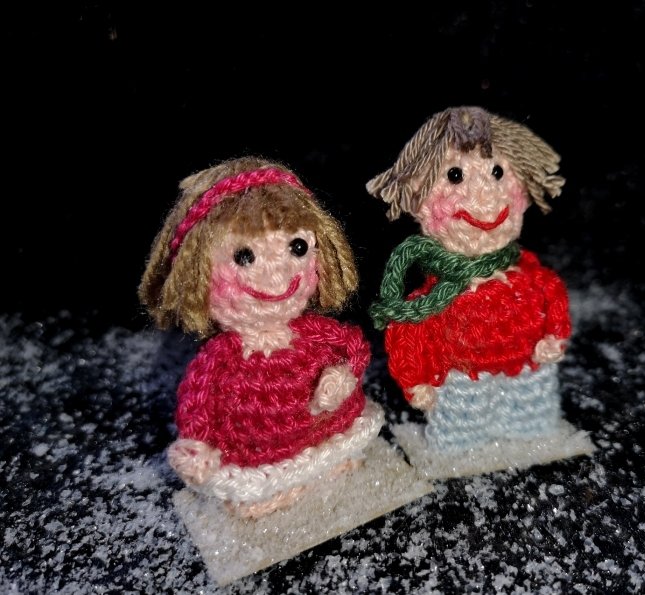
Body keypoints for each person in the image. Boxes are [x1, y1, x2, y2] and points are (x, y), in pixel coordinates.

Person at [139, 157, 383, 518]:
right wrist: (196, 445)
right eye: (244, 256)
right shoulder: (220, 360)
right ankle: (269, 493)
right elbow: (198, 402)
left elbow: (354, 348)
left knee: (337, 450)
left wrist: (345, 374)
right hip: (259, 455)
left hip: (330, 432)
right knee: (262, 483)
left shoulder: (317, 334)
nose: (278, 274)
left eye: (297, 248)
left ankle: (332, 462)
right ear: (198, 273)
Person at [368, 106, 570, 452]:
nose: (486, 193)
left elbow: (551, 293)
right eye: (455, 176)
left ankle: (529, 428)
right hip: (461, 379)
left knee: (530, 415)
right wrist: (416, 380)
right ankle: (461, 445)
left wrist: (555, 334)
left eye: (497, 172)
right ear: (418, 195)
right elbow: (410, 332)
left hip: (528, 368)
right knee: (462, 427)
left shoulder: (530, 275)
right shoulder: (436, 297)